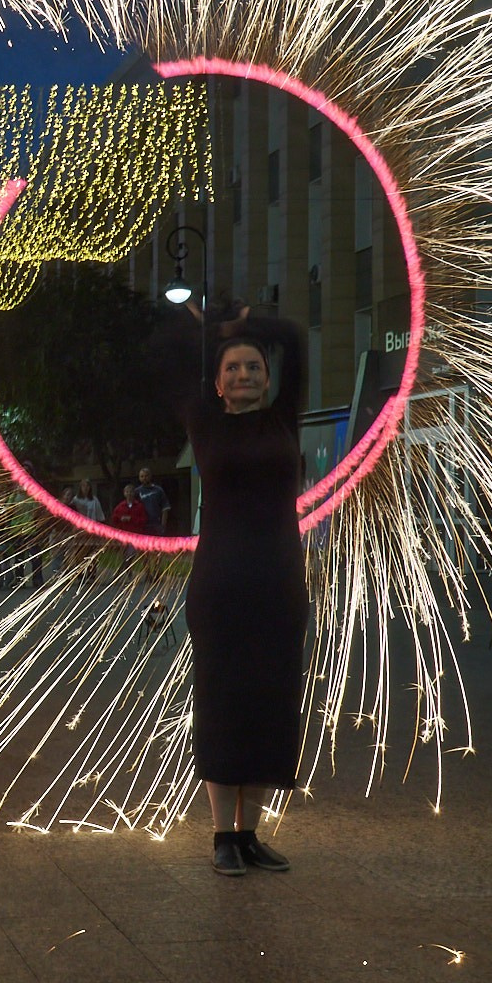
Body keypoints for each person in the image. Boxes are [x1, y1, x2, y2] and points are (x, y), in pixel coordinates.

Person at [179, 310, 308, 876]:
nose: (245, 375)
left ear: (269, 376)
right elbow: (177, 363)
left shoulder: (285, 420)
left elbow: (297, 341)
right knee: (223, 701)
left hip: (279, 581)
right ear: (218, 381)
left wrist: (256, 323)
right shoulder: (205, 423)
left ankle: (250, 833)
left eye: (254, 366)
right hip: (222, 583)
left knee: (268, 704)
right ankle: (221, 837)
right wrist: (216, 331)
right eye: (233, 368)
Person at [135, 467, 173, 536]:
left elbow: (165, 508)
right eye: (142, 476)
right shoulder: (136, 492)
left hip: (156, 525)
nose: (144, 478)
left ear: (150, 476)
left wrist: (163, 525)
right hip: (142, 526)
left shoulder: (158, 490)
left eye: (146, 476)